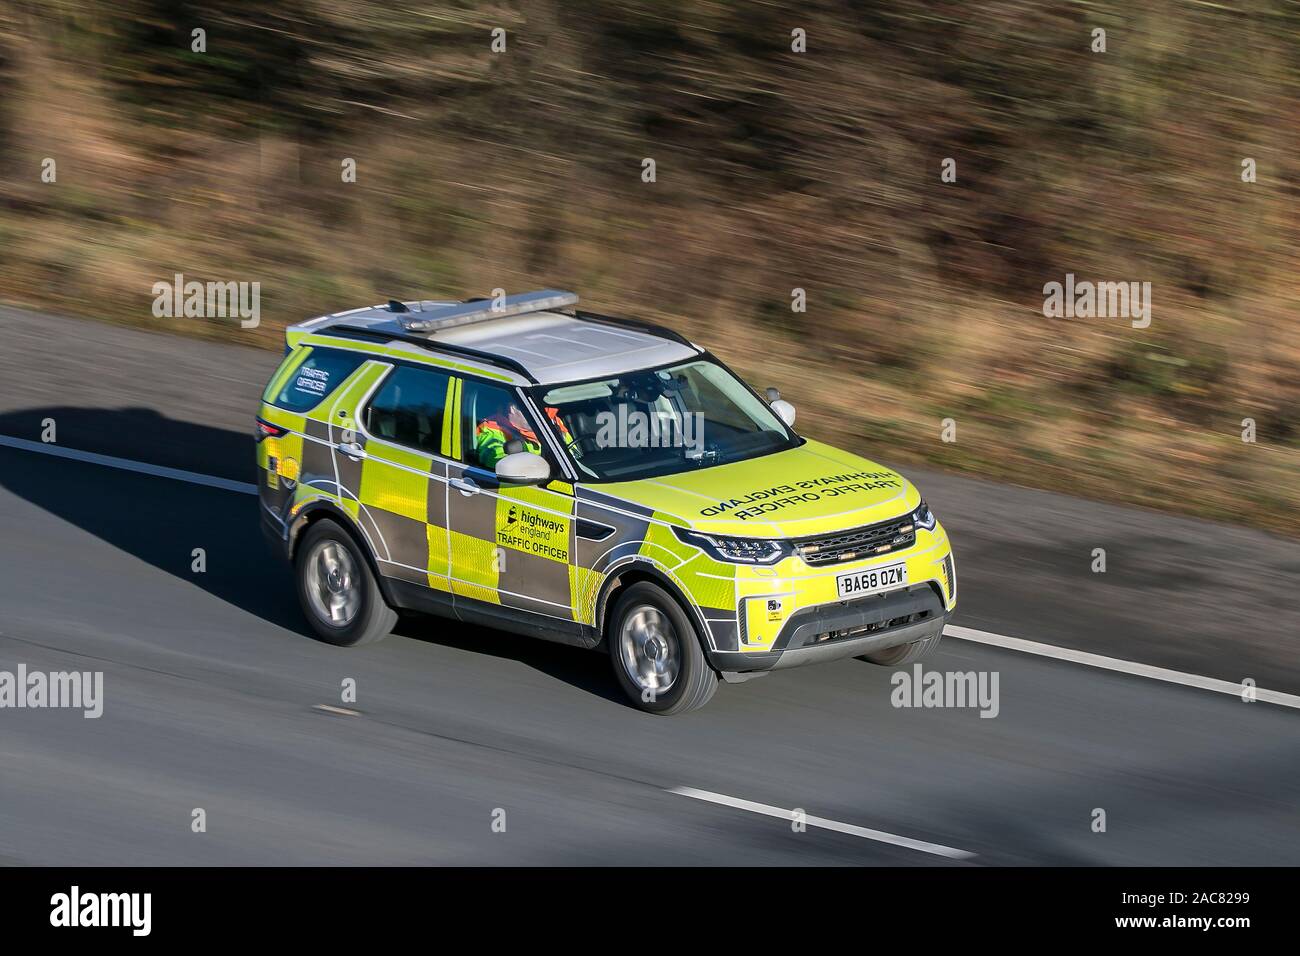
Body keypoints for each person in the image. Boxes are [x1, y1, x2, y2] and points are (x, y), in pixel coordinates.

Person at [475, 401, 572, 469]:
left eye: (543, 410)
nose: (541, 418)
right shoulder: (491, 429)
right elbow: (498, 463)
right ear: (512, 408)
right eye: (534, 410)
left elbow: (575, 454)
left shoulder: (553, 422)